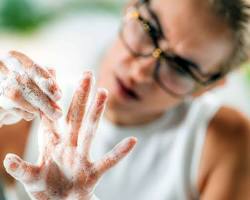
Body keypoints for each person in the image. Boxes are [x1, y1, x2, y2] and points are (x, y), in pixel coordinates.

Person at [0, 0, 249, 199]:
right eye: (149, 29)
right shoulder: (23, 111)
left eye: (181, 67)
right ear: (130, 6)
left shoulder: (225, 143)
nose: (141, 72)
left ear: (207, 87)